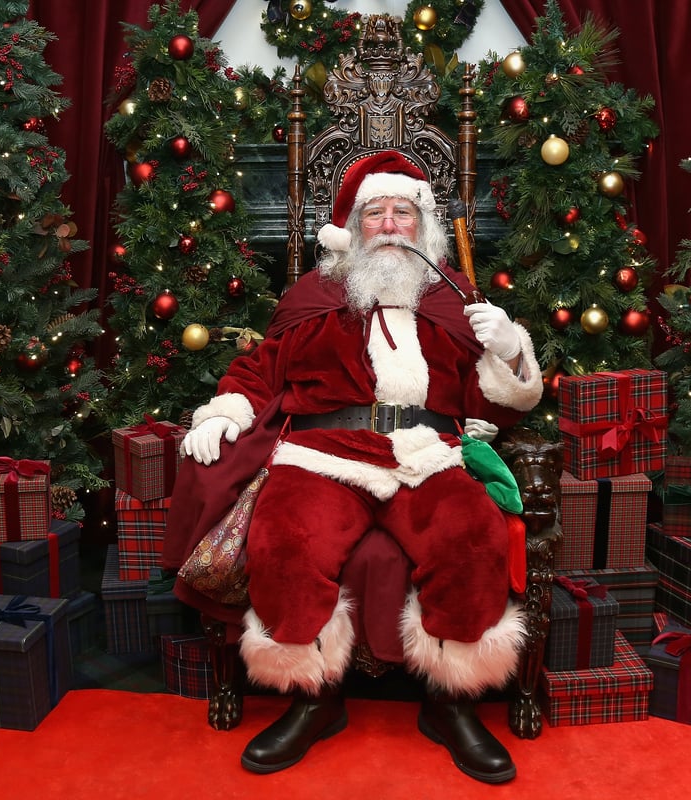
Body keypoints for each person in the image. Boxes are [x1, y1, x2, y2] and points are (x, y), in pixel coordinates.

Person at [174, 150, 543, 783]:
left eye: (404, 211)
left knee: (471, 534)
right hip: (323, 455)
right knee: (285, 537)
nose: (391, 224)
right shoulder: (313, 296)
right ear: (352, 227)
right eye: (376, 213)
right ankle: (312, 698)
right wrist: (224, 413)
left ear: (424, 225)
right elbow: (260, 371)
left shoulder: (454, 301)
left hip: (424, 455)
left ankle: (450, 702)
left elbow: (493, 408)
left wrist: (510, 354)